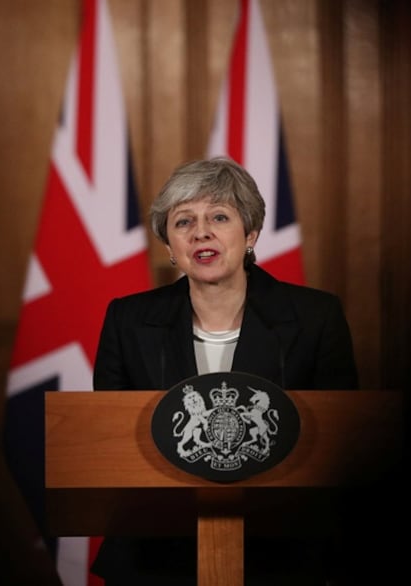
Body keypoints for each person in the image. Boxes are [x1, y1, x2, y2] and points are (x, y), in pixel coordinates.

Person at [90, 156, 359, 585]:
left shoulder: (315, 317)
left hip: (282, 552)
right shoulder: (128, 319)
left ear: (250, 233)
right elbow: (108, 439)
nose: (201, 232)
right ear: (169, 245)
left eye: (219, 217)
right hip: (157, 552)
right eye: (183, 222)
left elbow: (342, 442)